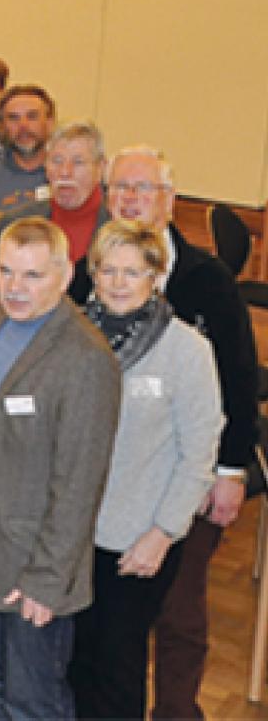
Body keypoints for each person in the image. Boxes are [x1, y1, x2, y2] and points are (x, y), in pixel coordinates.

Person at [76, 146, 258, 721]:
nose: (130, 199)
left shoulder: (195, 317)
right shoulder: (80, 324)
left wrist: (220, 480)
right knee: (82, 658)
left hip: (149, 520)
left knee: (152, 637)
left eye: (143, 188)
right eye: (120, 189)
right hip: (83, 526)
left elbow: (222, 408)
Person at [0, 218, 120, 721]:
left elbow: (80, 484)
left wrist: (47, 580)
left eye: (32, 275)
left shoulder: (85, 357)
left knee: (33, 700)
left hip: (34, 566)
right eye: (6, 271)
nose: (15, 287)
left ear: (65, 274)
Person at [70, 220, 222, 721]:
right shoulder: (70, 335)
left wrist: (163, 533)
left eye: (132, 272)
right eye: (108, 270)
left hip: (136, 541)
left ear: (155, 277)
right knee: (75, 664)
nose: (118, 282)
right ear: (93, 273)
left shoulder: (186, 350)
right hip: (72, 535)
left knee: (118, 670)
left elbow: (199, 454)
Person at [14, 121, 109, 262]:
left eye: (78, 162)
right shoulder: (17, 224)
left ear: (100, 169)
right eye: (57, 161)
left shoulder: (117, 222)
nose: (65, 172)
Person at [0, 84, 56, 229]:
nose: (23, 125)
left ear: (50, 123)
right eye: (13, 118)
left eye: (32, 116)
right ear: (1, 127)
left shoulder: (67, 178)